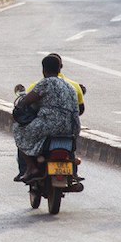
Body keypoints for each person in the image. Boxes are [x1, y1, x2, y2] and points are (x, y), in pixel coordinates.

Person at [13, 54, 81, 182]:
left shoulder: (45, 83)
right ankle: (73, 172)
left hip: (50, 125)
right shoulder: (70, 87)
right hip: (72, 127)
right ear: (59, 69)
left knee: (18, 129)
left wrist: (22, 103)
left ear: (43, 70)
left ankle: (32, 167)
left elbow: (25, 102)